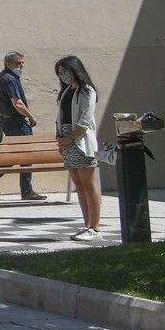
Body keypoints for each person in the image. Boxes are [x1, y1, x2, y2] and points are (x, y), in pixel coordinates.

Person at [56, 55, 104, 241]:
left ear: (75, 70)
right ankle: (87, 224)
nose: (63, 75)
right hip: (66, 140)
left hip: (80, 140)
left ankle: (95, 227)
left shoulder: (86, 90)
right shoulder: (66, 91)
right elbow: (61, 116)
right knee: (79, 184)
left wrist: (70, 138)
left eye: (65, 71)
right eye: (60, 73)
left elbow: (85, 119)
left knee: (89, 183)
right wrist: (60, 136)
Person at [0, 52, 46, 202]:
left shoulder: (5, 77)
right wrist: (31, 117)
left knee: (15, 155)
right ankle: (26, 191)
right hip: (16, 122)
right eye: (18, 63)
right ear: (8, 64)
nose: (21, 66)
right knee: (26, 155)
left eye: (22, 63)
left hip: (9, 121)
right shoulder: (9, 79)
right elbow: (17, 103)